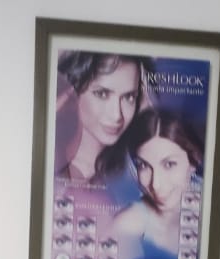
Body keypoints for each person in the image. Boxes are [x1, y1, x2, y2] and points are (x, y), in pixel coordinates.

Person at [110, 109, 205, 259]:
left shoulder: (217, 212)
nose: (156, 184)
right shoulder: (127, 224)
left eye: (169, 164)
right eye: (144, 165)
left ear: (193, 161)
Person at [55, 52, 152, 184]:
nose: (116, 115)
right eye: (102, 94)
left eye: (129, 97)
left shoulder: (140, 175)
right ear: (72, 92)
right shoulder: (48, 158)